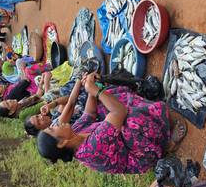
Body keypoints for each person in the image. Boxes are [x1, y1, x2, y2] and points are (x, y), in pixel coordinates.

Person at [36, 72, 186, 173]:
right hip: (138, 155)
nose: (55, 124)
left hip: (121, 140)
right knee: (132, 120)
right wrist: (95, 91)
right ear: (61, 143)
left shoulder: (74, 132)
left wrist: (90, 89)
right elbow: (120, 112)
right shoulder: (91, 148)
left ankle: (151, 115)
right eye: (52, 129)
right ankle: (165, 146)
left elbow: (90, 113)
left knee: (108, 98)